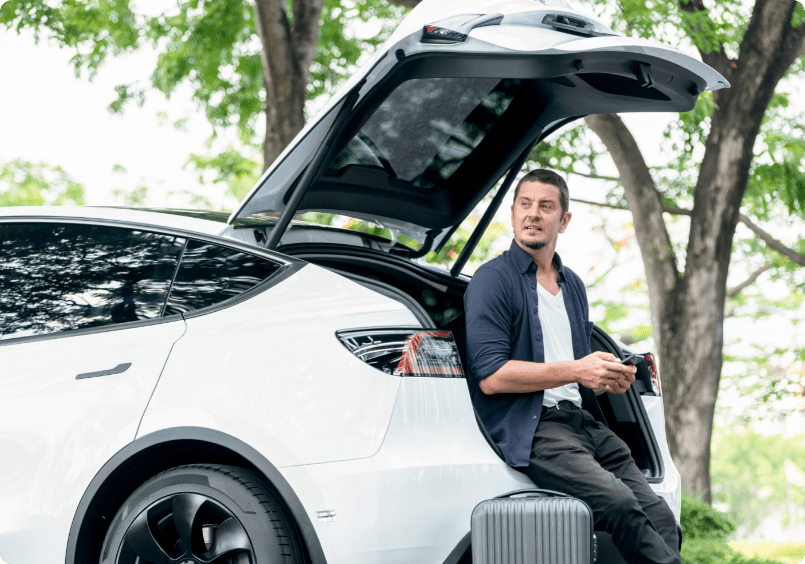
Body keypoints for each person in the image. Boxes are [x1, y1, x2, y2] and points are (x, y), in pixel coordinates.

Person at [464, 169, 680, 564]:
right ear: (512, 215)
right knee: (618, 504)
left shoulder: (573, 285)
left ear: (563, 221)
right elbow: (492, 378)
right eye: (525, 205)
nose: (533, 214)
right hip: (538, 429)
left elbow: (575, 373)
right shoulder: (492, 280)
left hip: (586, 425)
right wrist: (578, 370)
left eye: (546, 206)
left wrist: (607, 378)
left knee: (662, 516)